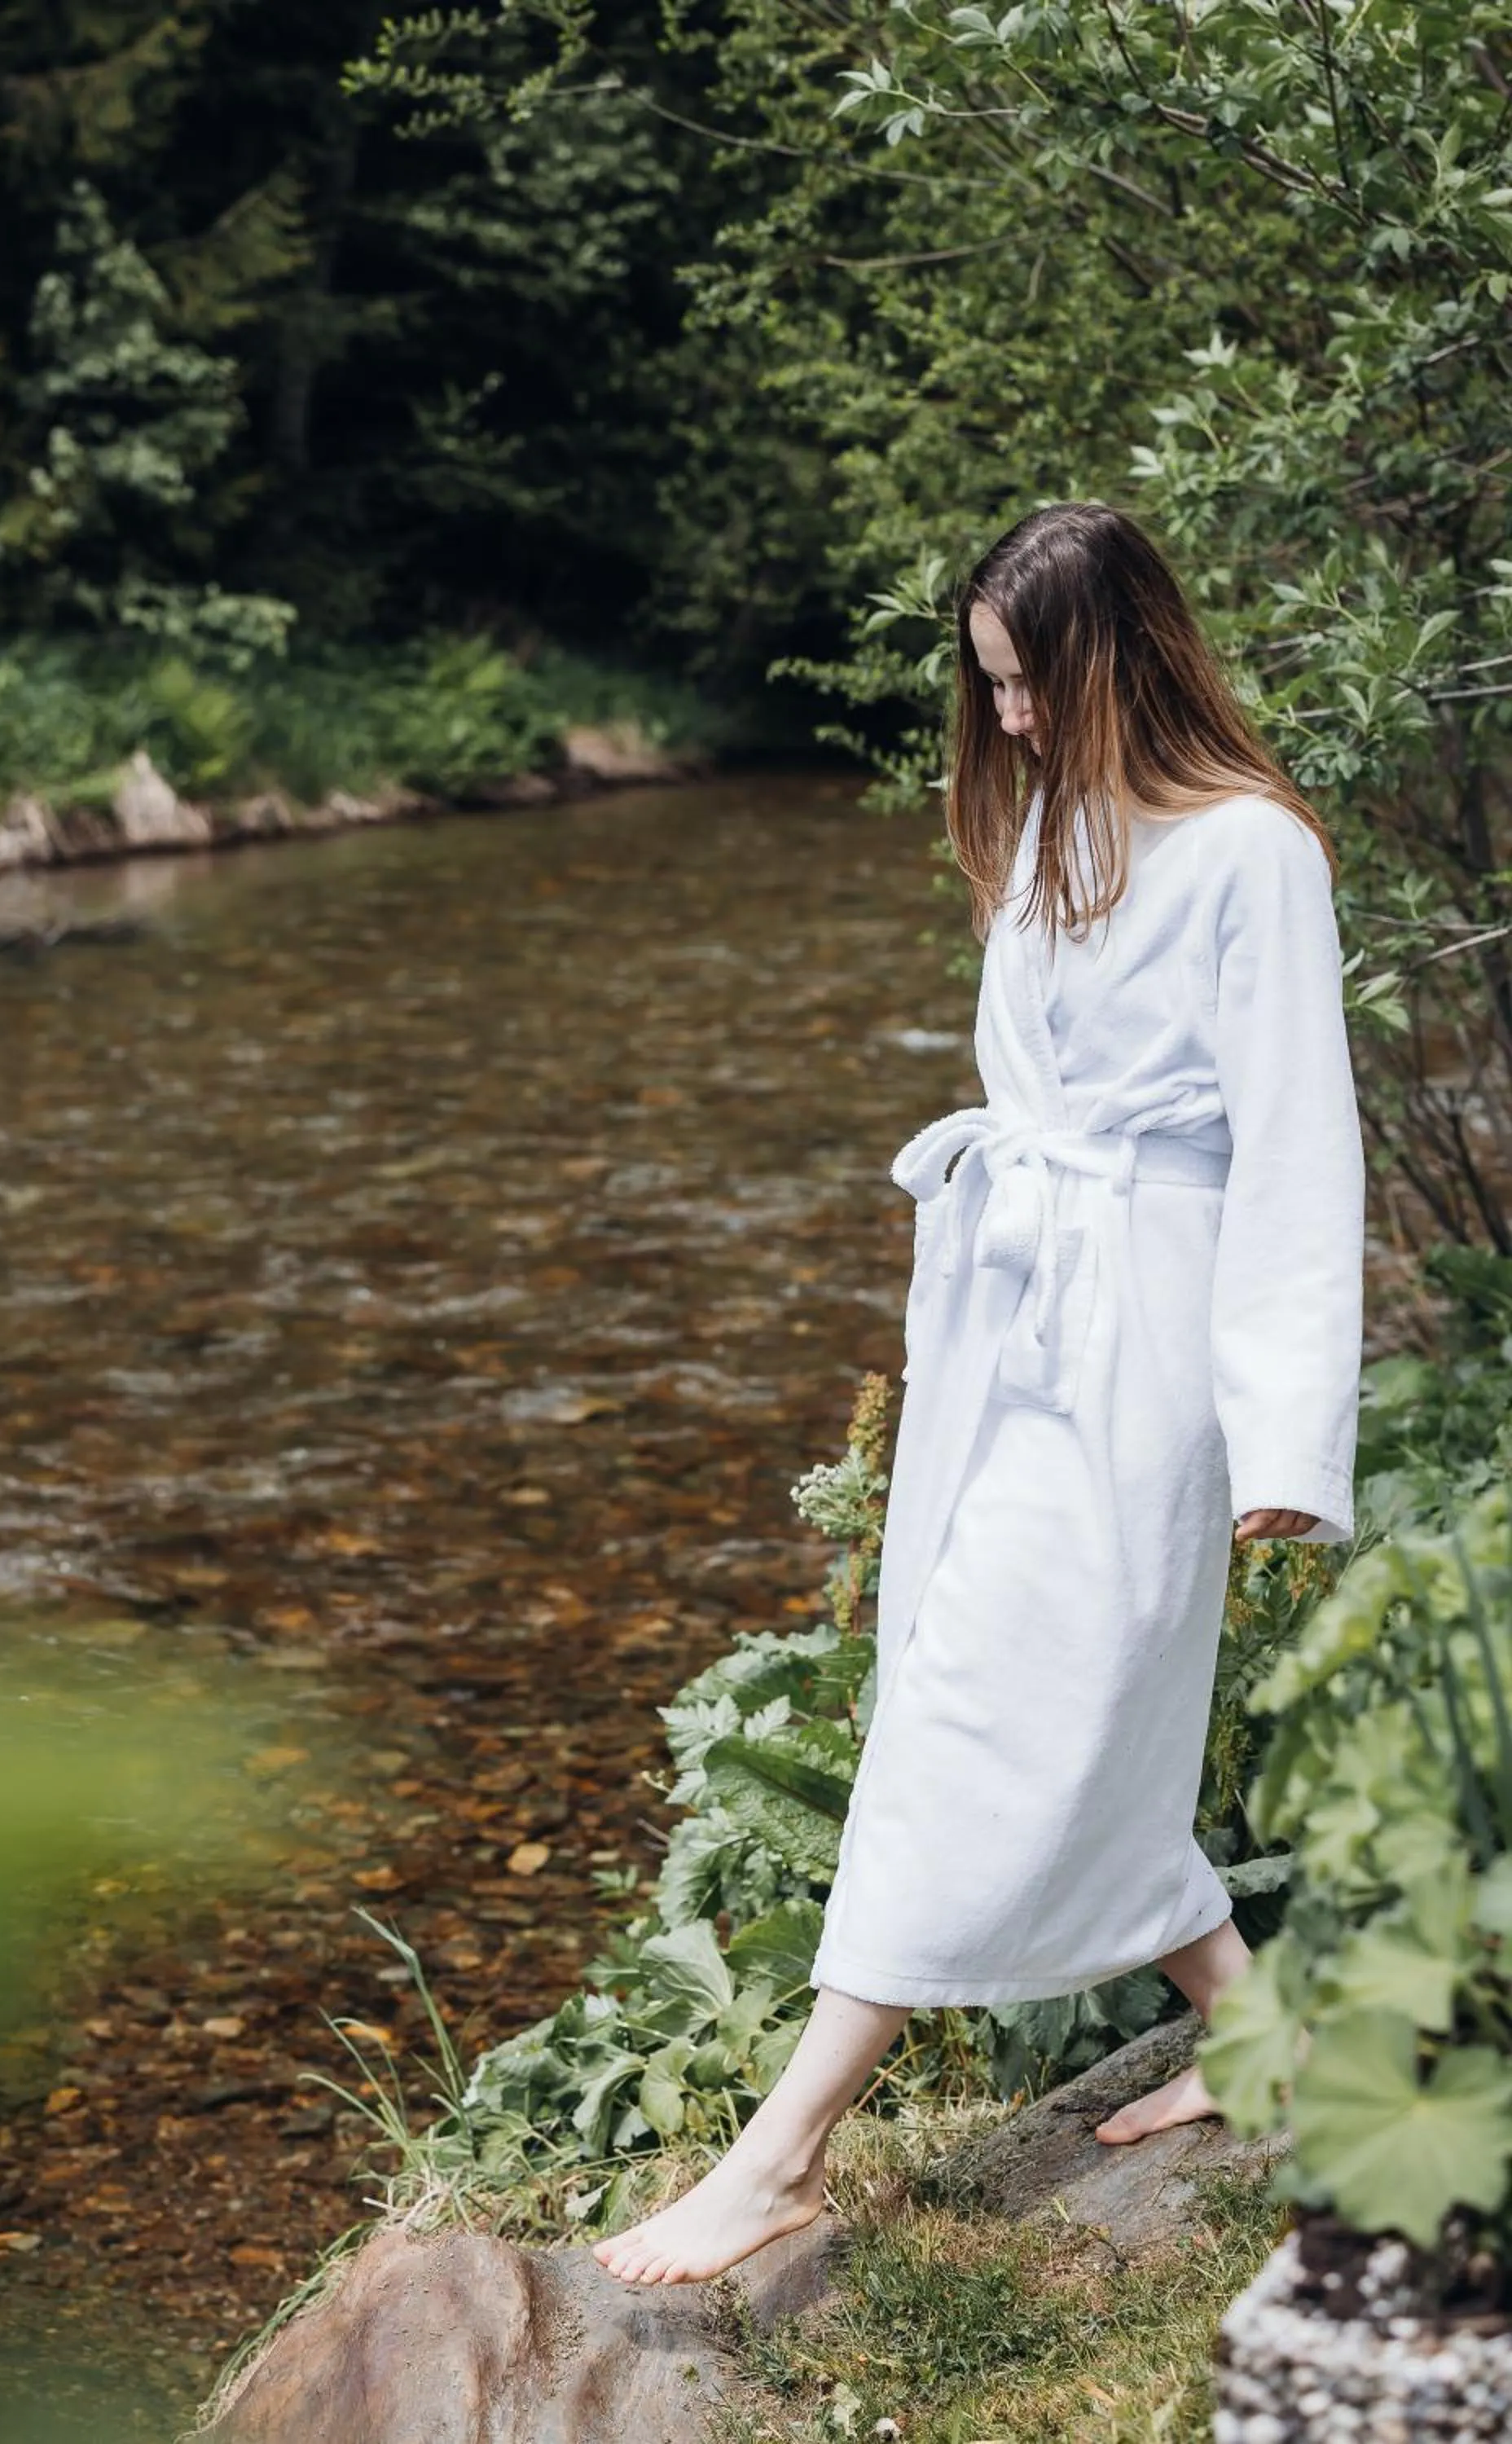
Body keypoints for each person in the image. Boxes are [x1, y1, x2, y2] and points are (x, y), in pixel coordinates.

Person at [592, 499, 1365, 2288]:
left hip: (1151, 1350)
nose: (1005, 722)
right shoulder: (1053, 836)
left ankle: (777, 2155)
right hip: (1023, 1328)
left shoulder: (1254, 855)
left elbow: (1298, 1155)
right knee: (1011, 1689)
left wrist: (1284, 1440)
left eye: (1026, 687)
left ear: (1115, 662)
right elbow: (1029, 1108)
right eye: (989, 689)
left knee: (977, 1714)